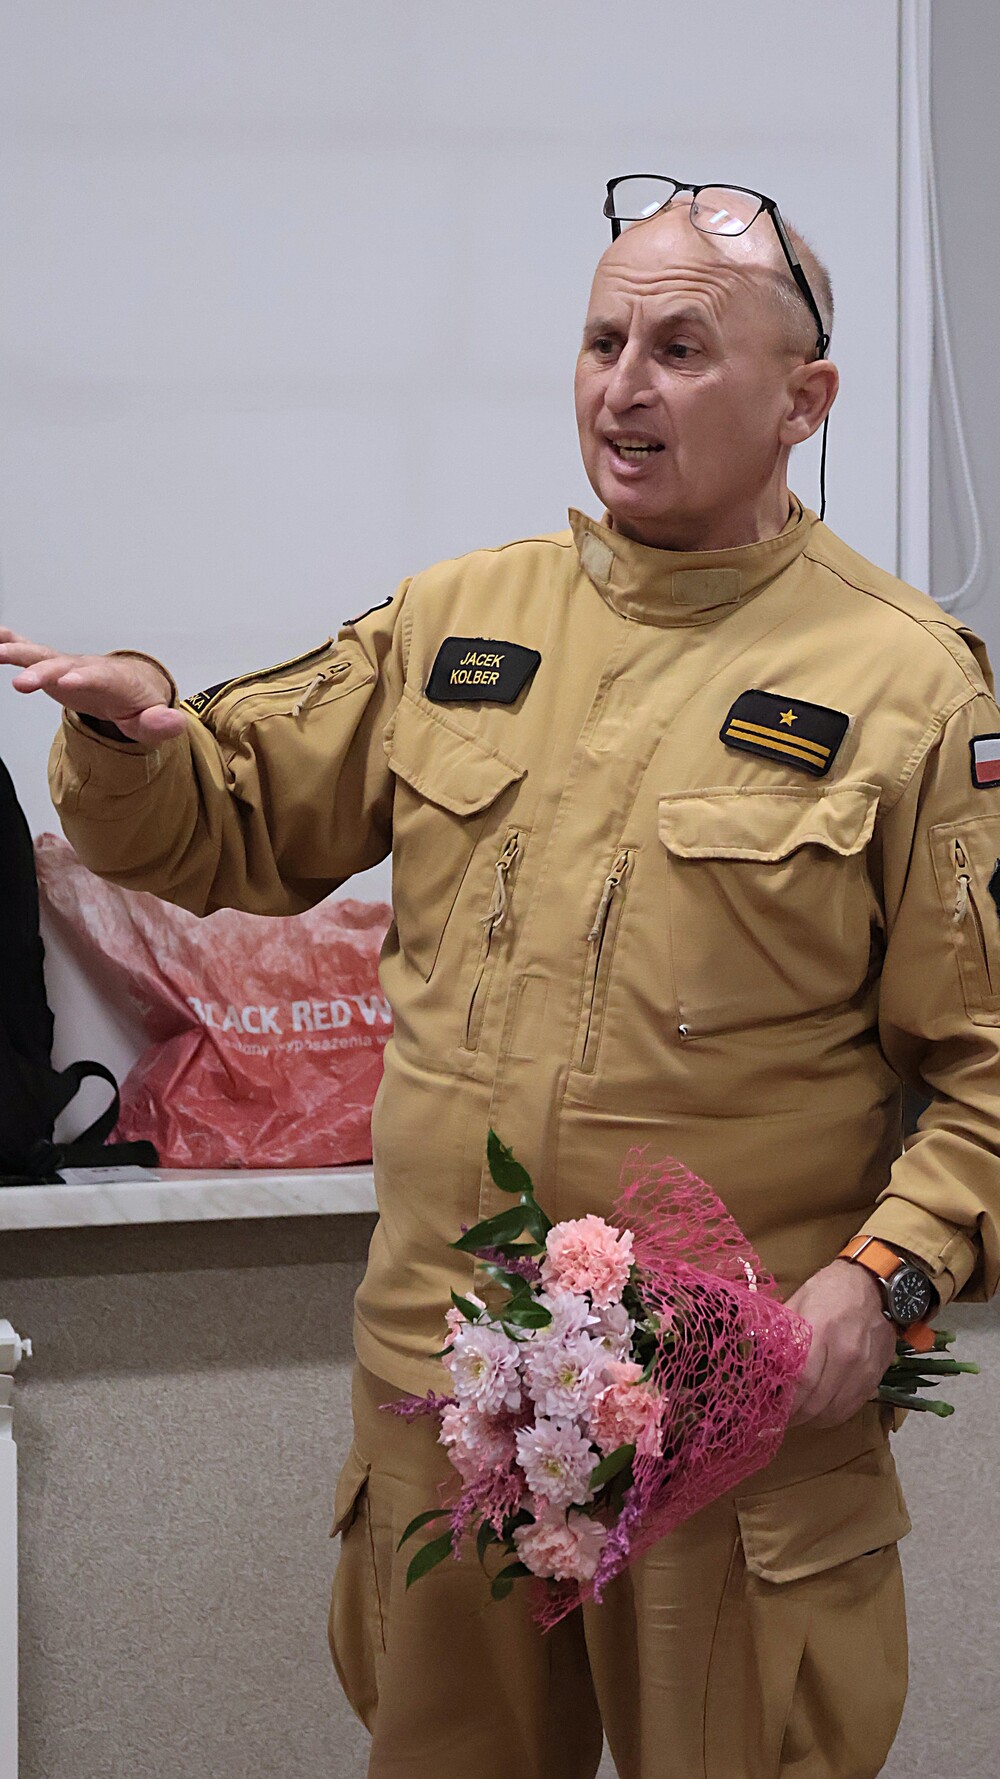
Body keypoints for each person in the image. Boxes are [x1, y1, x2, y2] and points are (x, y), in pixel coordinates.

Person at [3, 177, 1000, 1779]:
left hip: (728, 1407)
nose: (623, 385)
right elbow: (228, 823)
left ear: (804, 402)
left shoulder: (907, 685)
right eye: (604, 342)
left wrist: (885, 1280)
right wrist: (133, 744)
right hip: (451, 1385)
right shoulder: (458, 620)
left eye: (681, 348)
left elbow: (988, 1067)